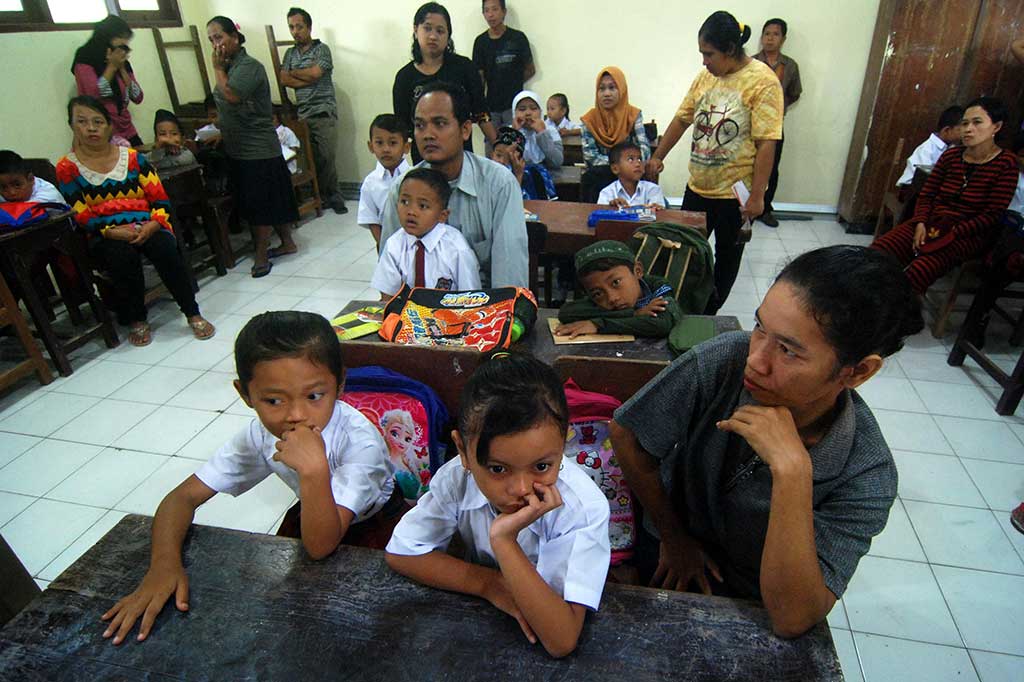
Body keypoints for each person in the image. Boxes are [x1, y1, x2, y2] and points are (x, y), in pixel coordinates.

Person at [612, 245, 924, 638]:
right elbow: (627, 434)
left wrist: (793, 472)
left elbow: (792, 617)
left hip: (759, 598)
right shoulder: (725, 360)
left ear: (857, 371)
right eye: (760, 327)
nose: (755, 360)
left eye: (789, 350)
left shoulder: (866, 473)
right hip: (667, 546)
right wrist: (675, 538)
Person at [99, 311, 399, 645]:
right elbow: (181, 498)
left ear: (340, 384)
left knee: (368, 627)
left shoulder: (361, 444)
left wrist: (314, 471)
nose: (296, 415)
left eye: (315, 396)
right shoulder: (259, 435)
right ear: (245, 395)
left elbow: (321, 546)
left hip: (377, 526)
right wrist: (163, 565)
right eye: (273, 400)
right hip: (315, 515)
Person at [385, 353, 610, 659]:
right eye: (498, 469)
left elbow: (562, 639)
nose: (520, 489)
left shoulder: (581, 507)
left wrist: (504, 541)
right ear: (463, 451)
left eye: (542, 466)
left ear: (562, 445)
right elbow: (402, 552)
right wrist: (489, 584)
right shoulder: (456, 478)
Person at [645, 11, 783, 314]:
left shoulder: (763, 81)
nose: (704, 61)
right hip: (698, 187)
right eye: (701, 53)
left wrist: (758, 195)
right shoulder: (706, 77)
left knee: (726, 259)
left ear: (730, 50)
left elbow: (767, 142)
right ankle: (678, 309)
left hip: (735, 197)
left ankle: (707, 314)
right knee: (683, 254)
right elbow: (682, 119)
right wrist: (657, 156)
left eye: (708, 54)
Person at [55, 96, 215, 347]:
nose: (91, 128)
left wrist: (153, 224)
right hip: (106, 233)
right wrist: (111, 231)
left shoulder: (133, 158)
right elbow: (79, 213)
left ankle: (192, 312)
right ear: (72, 126)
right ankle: (137, 319)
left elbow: (160, 200)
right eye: (82, 122)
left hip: (147, 224)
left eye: (98, 121)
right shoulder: (67, 168)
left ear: (109, 126)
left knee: (166, 249)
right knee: (121, 257)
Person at [380, 81, 529, 289]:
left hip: (481, 310)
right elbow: (390, 269)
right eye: (420, 125)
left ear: (465, 129)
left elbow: (509, 278)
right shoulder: (402, 189)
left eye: (439, 123)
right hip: (417, 311)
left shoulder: (499, 185)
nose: (428, 134)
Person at [871, 97, 1018, 294]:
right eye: (965, 123)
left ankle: (895, 317)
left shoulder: (1006, 164)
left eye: (977, 122)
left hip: (967, 235)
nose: (968, 129)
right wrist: (922, 222)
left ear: (996, 126)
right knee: (876, 253)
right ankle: (865, 304)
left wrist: (950, 233)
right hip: (931, 224)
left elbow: (991, 215)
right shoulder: (950, 157)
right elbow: (926, 195)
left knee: (918, 271)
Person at [207, 16, 300, 278]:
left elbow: (232, 95)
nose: (215, 45)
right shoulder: (230, 66)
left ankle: (261, 254)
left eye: (219, 37)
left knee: (260, 204)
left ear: (234, 38)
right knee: (271, 198)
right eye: (211, 40)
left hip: (257, 148)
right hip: (239, 146)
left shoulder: (248, 66)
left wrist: (217, 69)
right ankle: (287, 242)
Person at [393, 2, 497, 165]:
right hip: (424, 161)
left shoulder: (465, 68)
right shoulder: (404, 78)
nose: (433, 36)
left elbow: (481, 112)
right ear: (415, 30)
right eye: (427, 28)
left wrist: (497, 145)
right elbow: (403, 128)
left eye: (440, 31)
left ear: (448, 36)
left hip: (462, 160)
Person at [370, 167, 480, 297]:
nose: (411, 211)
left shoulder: (456, 249)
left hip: (449, 314)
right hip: (405, 313)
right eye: (404, 202)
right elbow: (387, 297)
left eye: (423, 206)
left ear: (442, 215)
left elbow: (471, 298)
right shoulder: (394, 245)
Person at [279, 7, 347, 214]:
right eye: (291, 27)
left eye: (299, 26)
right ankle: (322, 196)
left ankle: (335, 197)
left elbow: (317, 73)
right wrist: (305, 77)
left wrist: (295, 74)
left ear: (309, 27)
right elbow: (283, 79)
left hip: (323, 110)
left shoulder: (321, 50)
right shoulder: (290, 53)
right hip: (302, 114)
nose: (295, 31)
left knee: (327, 156)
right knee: (312, 158)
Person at [555, 240, 681, 339]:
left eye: (616, 282)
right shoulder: (604, 298)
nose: (612, 298)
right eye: (597, 293)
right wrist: (633, 314)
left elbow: (661, 324)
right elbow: (567, 312)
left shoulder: (659, 287)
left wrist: (597, 324)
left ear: (637, 271)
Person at [752, 18, 802, 227]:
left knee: (771, 167)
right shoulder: (751, 63)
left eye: (775, 34)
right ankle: (746, 204)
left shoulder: (789, 66)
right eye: (766, 34)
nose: (770, 38)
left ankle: (765, 209)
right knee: (748, 165)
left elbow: (795, 92)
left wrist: (779, 108)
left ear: (783, 38)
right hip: (751, 125)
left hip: (774, 126)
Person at [580, 67, 651, 203]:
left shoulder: (633, 115)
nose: (607, 93)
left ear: (622, 90)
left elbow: (644, 151)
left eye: (612, 88)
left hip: (630, 176)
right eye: (602, 89)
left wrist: (626, 166)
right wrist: (619, 165)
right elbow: (590, 157)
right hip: (599, 176)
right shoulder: (589, 119)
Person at [71, 15, 145, 147]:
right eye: (121, 43)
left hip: (127, 129)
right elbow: (92, 96)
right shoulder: (85, 58)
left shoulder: (122, 62)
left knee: (142, 164)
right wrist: (111, 67)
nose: (124, 48)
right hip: (102, 132)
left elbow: (138, 97)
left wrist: (121, 69)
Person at [473, 0, 535, 148]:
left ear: (504, 12)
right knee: (492, 147)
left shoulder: (518, 38)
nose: (490, 15)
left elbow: (530, 69)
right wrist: (478, 105)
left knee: (515, 147)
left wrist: (511, 82)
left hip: (514, 106)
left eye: (494, 9)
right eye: (486, 10)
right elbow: (479, 78)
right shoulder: (480, 42)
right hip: (491, 107)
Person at [359, 114, 412, 248]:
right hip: (387, 244)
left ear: (406, 147)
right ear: (370, 146)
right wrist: (384, 245)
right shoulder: (370, 183)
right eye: (379, 143)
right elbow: (371, 219)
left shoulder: (415, 177)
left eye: (393, 143)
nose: (386, 149)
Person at [896, 105, 965, 187]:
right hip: (911, 189)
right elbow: (924, 178)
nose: (963, 133)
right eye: (960, 130)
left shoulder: (951, 147)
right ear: (947, 130)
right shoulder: (927, 149)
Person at [491, 126, 557, 201]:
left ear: (520, 158)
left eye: (509, 158)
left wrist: (518, 175)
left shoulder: (535, 174)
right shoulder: (488, 177)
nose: (501, 162)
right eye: (498, 155)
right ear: (492, 154)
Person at [597, 141, 666, 209]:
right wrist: (611, 207)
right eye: (630, 159)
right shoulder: (607, 193)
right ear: (615, 168)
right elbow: (600, 216)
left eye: (639, 159)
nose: (637, 164)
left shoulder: (653, 189)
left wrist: (655, 208)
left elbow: (659, 216)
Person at [512, 90, 562, 169]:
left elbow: (557, 162)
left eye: (533, 108)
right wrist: (515, 134)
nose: (528, 113)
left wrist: (542, 133)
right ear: (514, 113)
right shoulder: (507, 132)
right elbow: (503, 162)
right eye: (522, 109)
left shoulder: (550, 130)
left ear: (541, 112)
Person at [0, 150, 66, 204]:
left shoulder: (47, 197)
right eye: (3, 187)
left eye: (17, 185)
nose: (12, 193)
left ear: (31, 179)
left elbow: (19, 216)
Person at [272, 110, 301, 174]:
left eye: (272, 119)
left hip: (287, 166)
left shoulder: (286, 131)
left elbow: (295, 151)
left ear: (278, 120)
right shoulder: (268, 134)